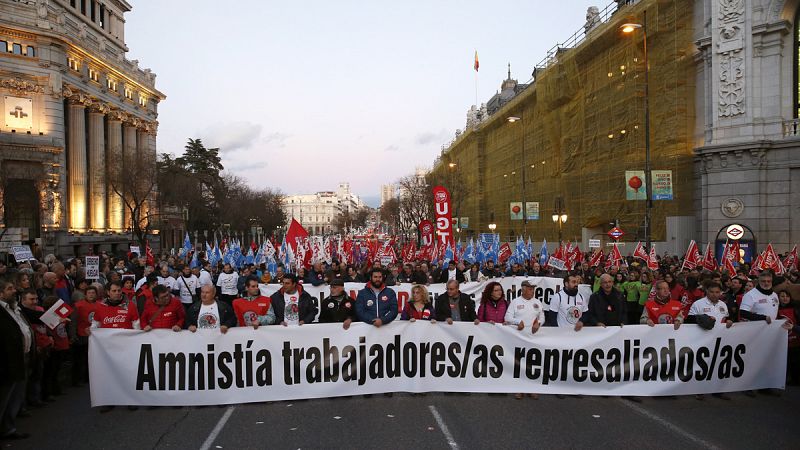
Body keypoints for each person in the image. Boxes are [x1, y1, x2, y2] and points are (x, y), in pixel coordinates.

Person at [686, 281, 732, 400]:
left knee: (718, 364)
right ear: (706, 291)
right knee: (702, 366)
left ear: (721, 292)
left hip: (719, 340)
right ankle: (699, 390)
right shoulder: (698, 304)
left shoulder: (723, 304)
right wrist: (704, 319)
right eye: (712, 292)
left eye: (717, 292)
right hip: (702, 340)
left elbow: (725, 318)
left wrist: (728, 321)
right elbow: (689, 319)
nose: (714, 294)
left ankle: (717, 390)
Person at [0, 279, 33, 441]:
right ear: (0, 293)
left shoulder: (15, 308)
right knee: (3, 400)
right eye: (9, 288)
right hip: (7, 363)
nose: (14, 291)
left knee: (15, 397)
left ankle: (8, 429)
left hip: (21, 358)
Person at [504, 280, 544, 400]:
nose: (532, 291)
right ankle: (519, 388)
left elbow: (542, 316)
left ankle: (531, 388)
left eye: (533, 289)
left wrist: (538, 323)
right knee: (519, 363)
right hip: (519, 337)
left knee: (532, 363)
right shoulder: (515, 302)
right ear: (523, 289)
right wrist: (517, 322)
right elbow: (507, 317)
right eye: (530, 289)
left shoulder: (537, 302)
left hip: (533, 338)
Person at [70, 285, 99, 386]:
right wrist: (73, 335)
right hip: (81, 335)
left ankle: (88, 378)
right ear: (85, 294)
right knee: (79, 359)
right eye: (89, 293)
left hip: (94, 336)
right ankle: (76, 380)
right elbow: (73, 321)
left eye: (93, 293)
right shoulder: (78, 305)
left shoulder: (100, 305)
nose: (91, 295)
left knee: (90, 358)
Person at [777, 289, 800, 385]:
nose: (785, 298)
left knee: (796, 361)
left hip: (796, 338)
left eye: (787, 296)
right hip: (782, 340)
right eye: (782, 296)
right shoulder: (775, 309)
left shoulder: (796, 308)